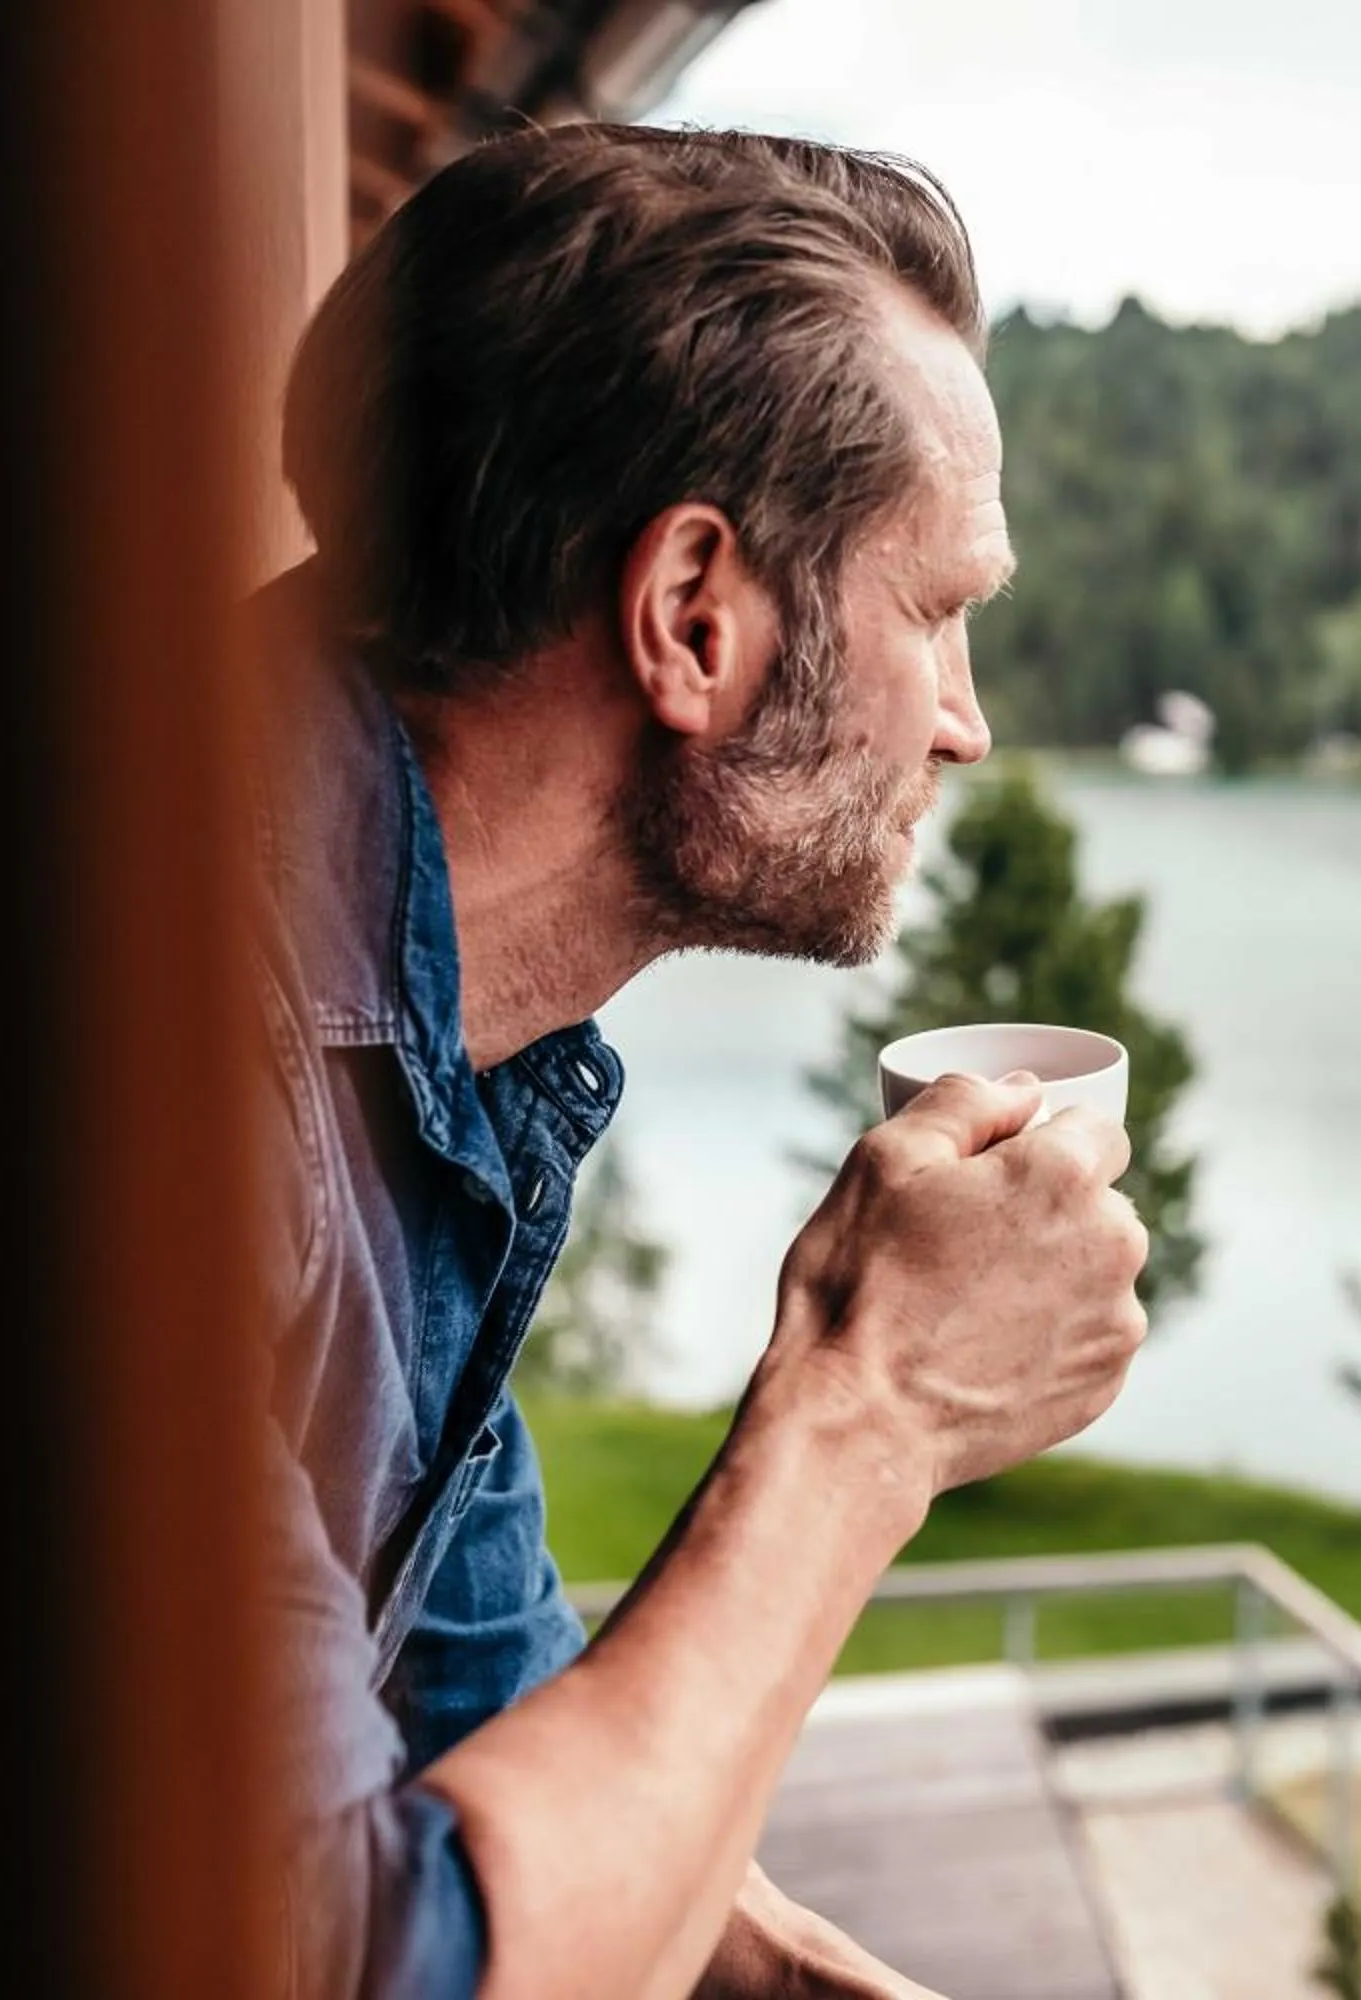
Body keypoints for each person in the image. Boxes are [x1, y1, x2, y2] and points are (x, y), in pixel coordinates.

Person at [251, 124, 1150, 1999]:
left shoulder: (448, 1047)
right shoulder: (163, 1090)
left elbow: (470, 1730)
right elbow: (378, 1963)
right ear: (692, 617)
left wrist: (790, 1978)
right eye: (939, 615)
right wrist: (872, 1404)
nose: (968, 726)